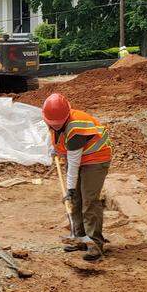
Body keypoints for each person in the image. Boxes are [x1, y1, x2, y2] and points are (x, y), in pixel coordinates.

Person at [42, 92, 113, 262]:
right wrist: (55, 149)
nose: (55, 126)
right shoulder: (54, 119)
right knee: (76, 200)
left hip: (96, 158)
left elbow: (73, 165)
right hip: (80, 156)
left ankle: (95, 244)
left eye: (58, 124)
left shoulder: (76, 128)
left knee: (89, 200)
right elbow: (57, 137)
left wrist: (71, 189)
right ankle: (80, 238)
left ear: (65, 117)